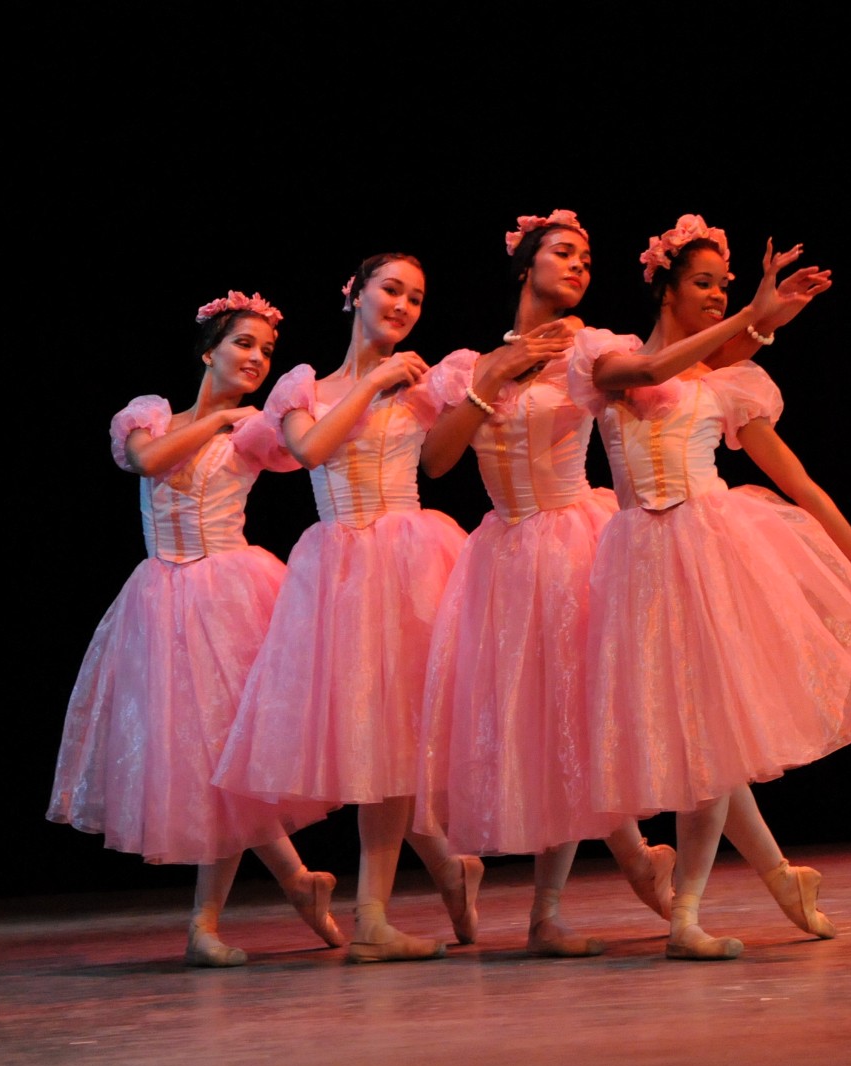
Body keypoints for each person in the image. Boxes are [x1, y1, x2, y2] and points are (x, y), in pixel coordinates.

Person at [572, 216, 851, 960]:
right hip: (637, 563)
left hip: (713, 557)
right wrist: (756, 319)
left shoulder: (731, 387)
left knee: (711, 738)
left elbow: (799, 482)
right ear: (665, 285)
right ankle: (779, 877)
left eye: (725, 287)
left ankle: (687, 915)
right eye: (702, 283)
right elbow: (651, 374)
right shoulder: (609, 360)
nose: (717, 295)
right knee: (699, 742)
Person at [49, 290, 346, 968]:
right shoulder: (149, 415)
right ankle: (288, 887)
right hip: (162, 602)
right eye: (244, 345)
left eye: (266, 352)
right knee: (206, 763)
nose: (256, 359)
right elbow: (147, 462)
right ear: (209, 350)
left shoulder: (253, 430)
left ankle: (215, 919)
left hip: (233, 596)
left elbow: (311, 447)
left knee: (231, 759)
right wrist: (217, 423)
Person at [413, 210, 678, 958]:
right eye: (563, 253)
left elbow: (650, 378)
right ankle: (593, 881)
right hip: (504, 551)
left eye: (587, 258)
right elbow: (435, 463)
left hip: (574, 536)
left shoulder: (590, 349)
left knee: (580, 710)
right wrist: (489, 381)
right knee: (540, 720)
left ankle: (561, 900)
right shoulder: (469, 364)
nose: (578, 266)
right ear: (525, 265)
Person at [214, 256, 481, 963]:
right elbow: (309, 451)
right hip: (341, 570)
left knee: (399, 739)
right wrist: (371, 382)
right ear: (354, 294)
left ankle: (380, 912)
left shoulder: (424, 382)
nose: (402, 305)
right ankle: (411, 894)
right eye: (390, 290)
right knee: (372, 737)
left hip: (413, 559)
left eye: (415, 298)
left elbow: (443, 458)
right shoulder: (305, 386)